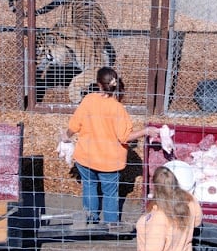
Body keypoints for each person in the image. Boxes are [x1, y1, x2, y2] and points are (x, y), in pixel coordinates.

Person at [59, 66, 159, 223]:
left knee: (90, 187)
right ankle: (111, 225)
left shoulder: (89, 100)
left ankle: (90, 219)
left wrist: (66, 136)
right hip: (109, 163)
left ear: (99, 84)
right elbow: (125, 137)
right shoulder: (118, 109)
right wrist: (145, 131)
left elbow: (74, 126)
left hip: (86, 158)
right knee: (110, 194)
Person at [136, 166, 203, 251]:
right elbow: (197, 222)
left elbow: (153, 248)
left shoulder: (159, 215)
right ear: (175, 180)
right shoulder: (190, 199)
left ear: (155, 186)